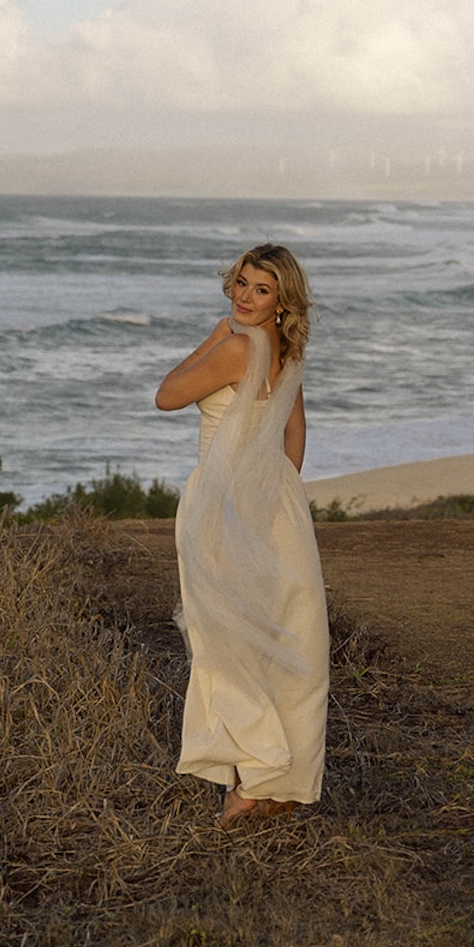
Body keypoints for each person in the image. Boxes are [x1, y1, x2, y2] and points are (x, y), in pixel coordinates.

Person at [155, 243, 328, 828]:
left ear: (282, 301)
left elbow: (166, 395)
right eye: (241, 283)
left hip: (222, 503)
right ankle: (279, 779)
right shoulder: (290, 349)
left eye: (260, 290)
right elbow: (295, 435)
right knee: (286, 639)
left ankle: (253, 777)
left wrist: (213, 338)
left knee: (225, 638)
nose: (244, 297)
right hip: (277, 504)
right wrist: (271, 489)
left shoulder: (234, 346)